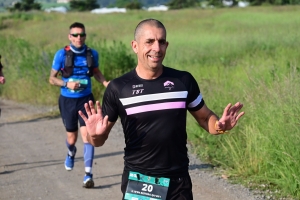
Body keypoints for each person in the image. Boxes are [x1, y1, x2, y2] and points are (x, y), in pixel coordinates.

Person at [79, 19, 245, 199]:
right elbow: (98, 140)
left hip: (178, 180)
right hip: (140, 181)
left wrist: (219, 126)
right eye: (149, 42)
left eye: (162, 42)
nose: (157, 48)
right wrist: (94, 135)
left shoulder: (183, 81)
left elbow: (205, 118)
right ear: (135, 46)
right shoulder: (119, 88)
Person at [49, 22, 109, 188]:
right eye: (75, 35)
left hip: (85, 99)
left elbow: (96, 72)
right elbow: (51, 78)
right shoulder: (61, 54)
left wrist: (105, 83)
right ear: (70, 37)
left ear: (85, 36)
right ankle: (70, 152)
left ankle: (88, 175)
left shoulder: (92, 54)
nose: (79, 38)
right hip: (67, 100)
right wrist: (66, 84)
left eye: (81, 34)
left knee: (88, 136)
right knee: (72, 137)